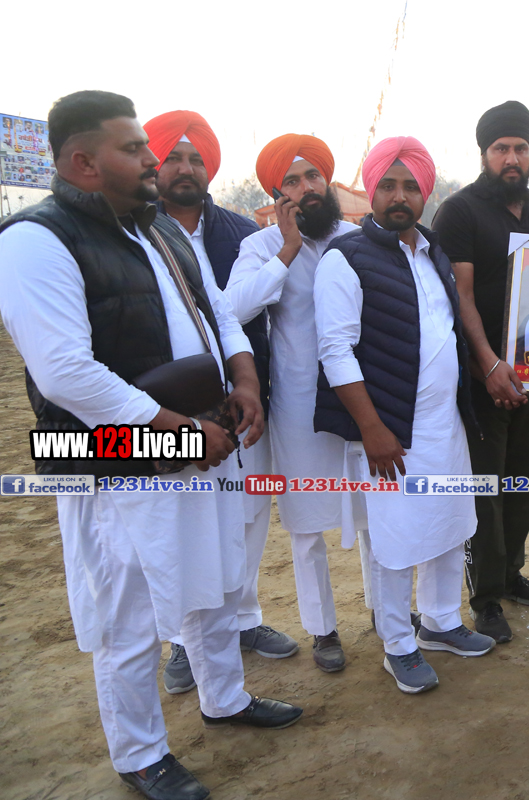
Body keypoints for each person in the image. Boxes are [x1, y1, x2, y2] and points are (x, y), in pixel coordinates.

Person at [0, 90, 301, 800]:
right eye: (134, 148)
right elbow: (65, 372)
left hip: (199, 440)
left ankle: (224, 698)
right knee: (126, 612)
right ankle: (139, 753)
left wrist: (245, 379)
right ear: (84, 161)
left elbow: (218, 312)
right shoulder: (33, 240)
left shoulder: (157, 227)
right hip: (111, 459)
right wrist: (176, 427)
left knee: (217, 581)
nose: (151, 159)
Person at [314, 136, 495, 694]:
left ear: (425, 193)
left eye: (410, 186)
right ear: (371, 190)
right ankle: (398, 643)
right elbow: (335, 350)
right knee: (394, 539)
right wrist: (372, 427)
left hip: (445, 423)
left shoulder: (434, 251)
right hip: (390, 427)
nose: (399, 196)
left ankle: (440, 621)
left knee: (449, 525)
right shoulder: (344, 258)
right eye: (388, 185)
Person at [144, 110, 299, 695]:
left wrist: (249, 385)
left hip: (244, 403)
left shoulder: (238, 232)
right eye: (173, 157)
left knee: (249, 515)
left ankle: (243, 619)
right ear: (153, 164)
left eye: (196, 159)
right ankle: (186, 641)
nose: (186, 168)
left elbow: (244, 316)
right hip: (169, 411)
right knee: (187, 523)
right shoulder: (137, 233)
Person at [225, 134, 361, 672]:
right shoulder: (261, 246)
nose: (307, 188)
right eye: (293, 181)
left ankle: (388, 612)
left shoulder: (356, 237)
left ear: (328, 180)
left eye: (314, 176)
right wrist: (286, 249)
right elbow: (233, 309)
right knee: (306, 523)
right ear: (277, 193)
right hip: (298, 405)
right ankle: (323, 630)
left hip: (361, 400)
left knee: (374, 513)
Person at [431, 101, 529, 643]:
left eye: (520, 148)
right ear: (484, 154)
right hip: (482, 378)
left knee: (526, 479)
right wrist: (488, 364)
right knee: (485, 488)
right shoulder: (459, 212)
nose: (512, 158)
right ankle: (485, 597)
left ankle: (510, 574)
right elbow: (460, 297)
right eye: (501, 148)